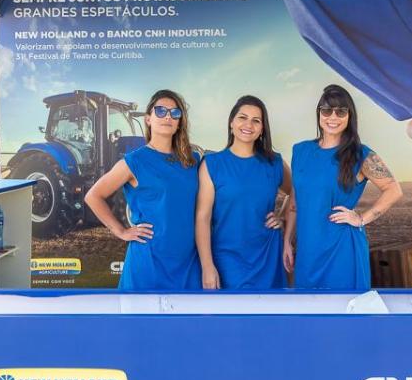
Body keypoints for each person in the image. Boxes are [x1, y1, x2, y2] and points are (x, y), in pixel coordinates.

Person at [285, 84, 404, 290]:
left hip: (342, 249)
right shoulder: (301, 151)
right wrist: (287, 240)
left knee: (345, 315)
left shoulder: (360, 154)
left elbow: (394, 190)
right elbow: (295, 200)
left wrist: (361, 219)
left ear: (350, 116)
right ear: (319, 113)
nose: (333, 117)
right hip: (308, 250)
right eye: (327, 110)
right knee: (311, 315)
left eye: (341, 111)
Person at [85, 90, 201, 290]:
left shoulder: (193, 161)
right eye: (161, 111)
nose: (168, 116)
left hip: (189, 263)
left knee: (186, 322)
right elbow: (93, 196)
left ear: (180, 122)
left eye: (175, 113)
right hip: (149, 263)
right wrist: (120, 230)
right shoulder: (134, 162)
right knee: (143, 321)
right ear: (148, 119)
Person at [195, 96, 292, 290]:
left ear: (262, 128)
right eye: (242, 117)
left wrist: (282, 218)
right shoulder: (212, 164)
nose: (249, 124)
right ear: (231, 122)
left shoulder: (275, 164)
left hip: (269, 257)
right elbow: (202, 218)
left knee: (270, 318)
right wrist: (207, 266)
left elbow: (296, 194)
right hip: (227, 259)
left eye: (256, 120)